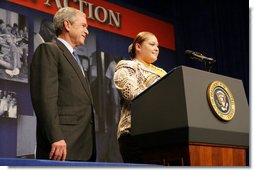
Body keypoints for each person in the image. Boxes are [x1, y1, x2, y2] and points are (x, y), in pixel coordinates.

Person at [30, 7, 96, 161]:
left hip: (82, 146)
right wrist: (56, 137)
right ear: (67, 25)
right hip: (62, 145)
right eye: (83, 26)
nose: (87, 31)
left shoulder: (74, 58)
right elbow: (44, 98)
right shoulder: (49, 50)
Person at [113, 31, 167, 163]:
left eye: (158, 46)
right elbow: (131, 94)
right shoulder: (127, 66)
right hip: (134, 135)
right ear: (138, 46)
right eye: (152, 44)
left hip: (162, 132)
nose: (156, 49)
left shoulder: (162, 72)